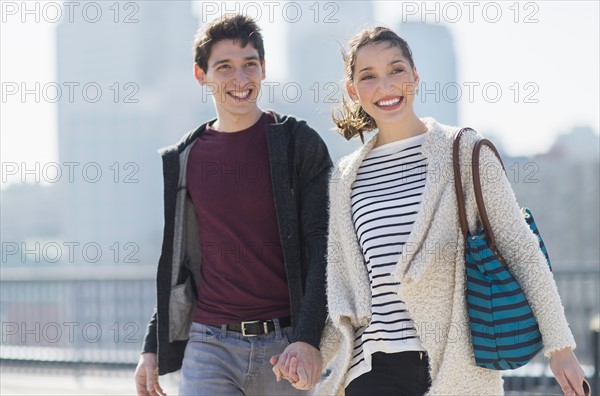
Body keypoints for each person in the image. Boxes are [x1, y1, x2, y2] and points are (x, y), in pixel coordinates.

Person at [314, 27, 586, 396]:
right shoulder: (345, 177)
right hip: (372, 369)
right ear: (353, 91)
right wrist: (311, 355)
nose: (386, 85)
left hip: (454, 367)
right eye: (369, 76)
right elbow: (344, 291)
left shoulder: (464, 152)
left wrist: (561, 348)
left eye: (396, 70)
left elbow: (521, 250)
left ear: (415, 76)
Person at [133, 14, 331, 396]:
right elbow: (179, 262)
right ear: (201, 75)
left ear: (263, 68)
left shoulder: (297, 143)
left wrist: (307, 339)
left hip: (286, 348)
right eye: (224, 67)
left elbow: (324, 246)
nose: (240, 79)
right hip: (209, 347)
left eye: (249, 65)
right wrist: (153, 346)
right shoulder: (184, 157)